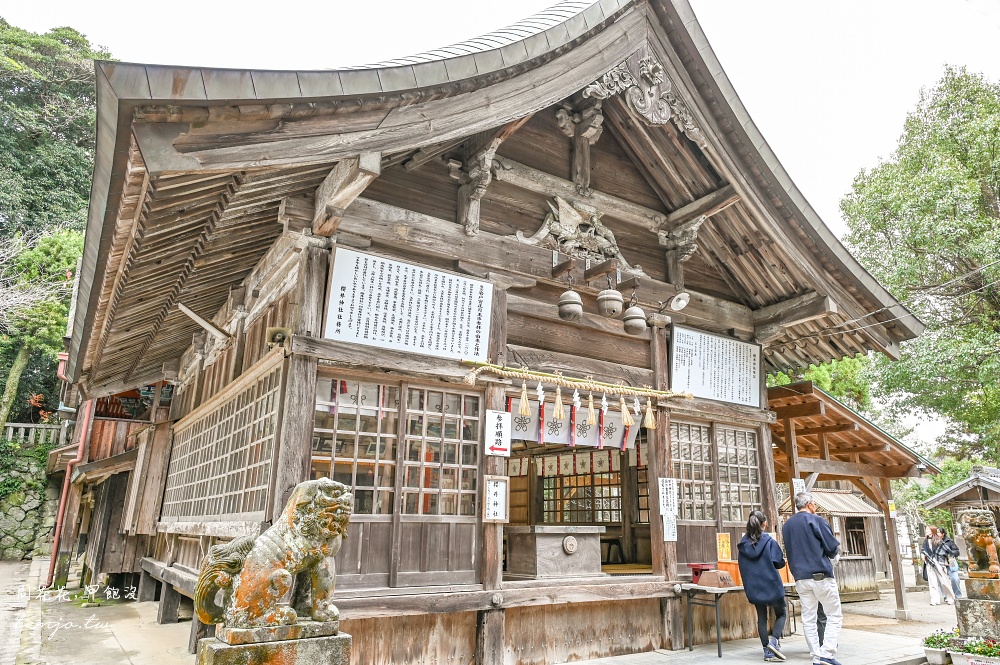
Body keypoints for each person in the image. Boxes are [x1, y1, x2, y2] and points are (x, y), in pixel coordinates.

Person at [782, 492, 844, 665]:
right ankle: (827, 653)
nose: (815, 506)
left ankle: (816, 656)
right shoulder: (816, 520)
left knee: (808, 618)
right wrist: (834, 558)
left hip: (800, 578)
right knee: (834, 615)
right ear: (809, 504)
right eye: (814, 503)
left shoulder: (787, 526)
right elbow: (831, 548)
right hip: (820, 575)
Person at [737, 510, 788, 662]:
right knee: (781, 613)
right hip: (771, 584)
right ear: (764, 524)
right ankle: (774, 642)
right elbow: (779, 562)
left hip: (754, 587)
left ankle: (767, 651)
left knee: (762, 618)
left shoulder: (743, 545)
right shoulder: (769, 541)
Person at [922, 526, 957, 605]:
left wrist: (946, 559)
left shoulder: (938, 540)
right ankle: (935, 600)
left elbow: (946, 550)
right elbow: (923, 550)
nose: (926, 531)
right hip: (929, 563)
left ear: (932, 531)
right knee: (932, 583)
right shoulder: (926, 541)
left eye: (928, 529)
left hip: (939, 563)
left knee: (944, 581)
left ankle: (950, 598)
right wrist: (923, 554)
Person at [939, 527, 964, 599]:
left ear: (943, 534)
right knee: (942, 581)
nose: (937, 534)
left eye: (938, 532)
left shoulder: (949, 541)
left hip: (950, 562)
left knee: (955, 579)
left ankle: (958, 596)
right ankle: (946, 597)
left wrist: (949, 553)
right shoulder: (935, 542)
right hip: (941, 563)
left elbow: (957, 552)